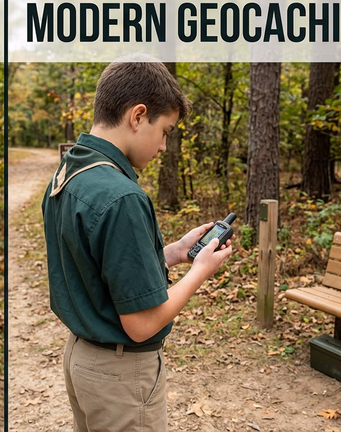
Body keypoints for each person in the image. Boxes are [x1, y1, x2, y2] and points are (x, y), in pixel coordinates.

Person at [42, 58, 235, 431]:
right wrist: (199, 271)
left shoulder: (69, 173)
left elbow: (98, 267)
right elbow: (143, 324)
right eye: (165, 131)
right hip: (120, 376)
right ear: (138, 116)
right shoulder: (121, 196)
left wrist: (176, 253)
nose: (164, 146)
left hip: (82, 361)